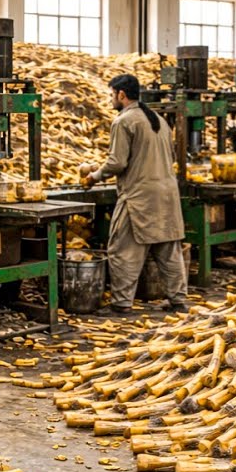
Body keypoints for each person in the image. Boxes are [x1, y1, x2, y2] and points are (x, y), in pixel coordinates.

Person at [82, 74, 187, 314]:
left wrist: (94, 176)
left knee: (123, 250)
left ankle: (121, 304)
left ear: (121, 94)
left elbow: (117, 162)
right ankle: (179, 300)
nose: (111, 99)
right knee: (168, 251)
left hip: (140, 197)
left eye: (112, 94)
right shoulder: (159, 120)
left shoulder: (124, 121)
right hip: (167, 195)